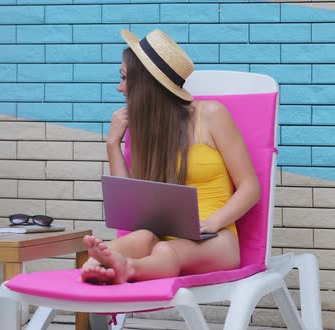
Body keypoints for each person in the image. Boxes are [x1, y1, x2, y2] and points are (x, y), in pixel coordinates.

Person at [81, 29, 260, 285]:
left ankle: (127, 268)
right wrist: (113, 144)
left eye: (124, 78)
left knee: (165, 251)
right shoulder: (148, 129)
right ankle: (97, 265)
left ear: (146, 84)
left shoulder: (211, 114)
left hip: (216, 238)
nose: (120, 88)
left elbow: (250, 188)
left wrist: (211, 223)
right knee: (138, 238)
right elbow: (131, 207)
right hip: (164, 234)